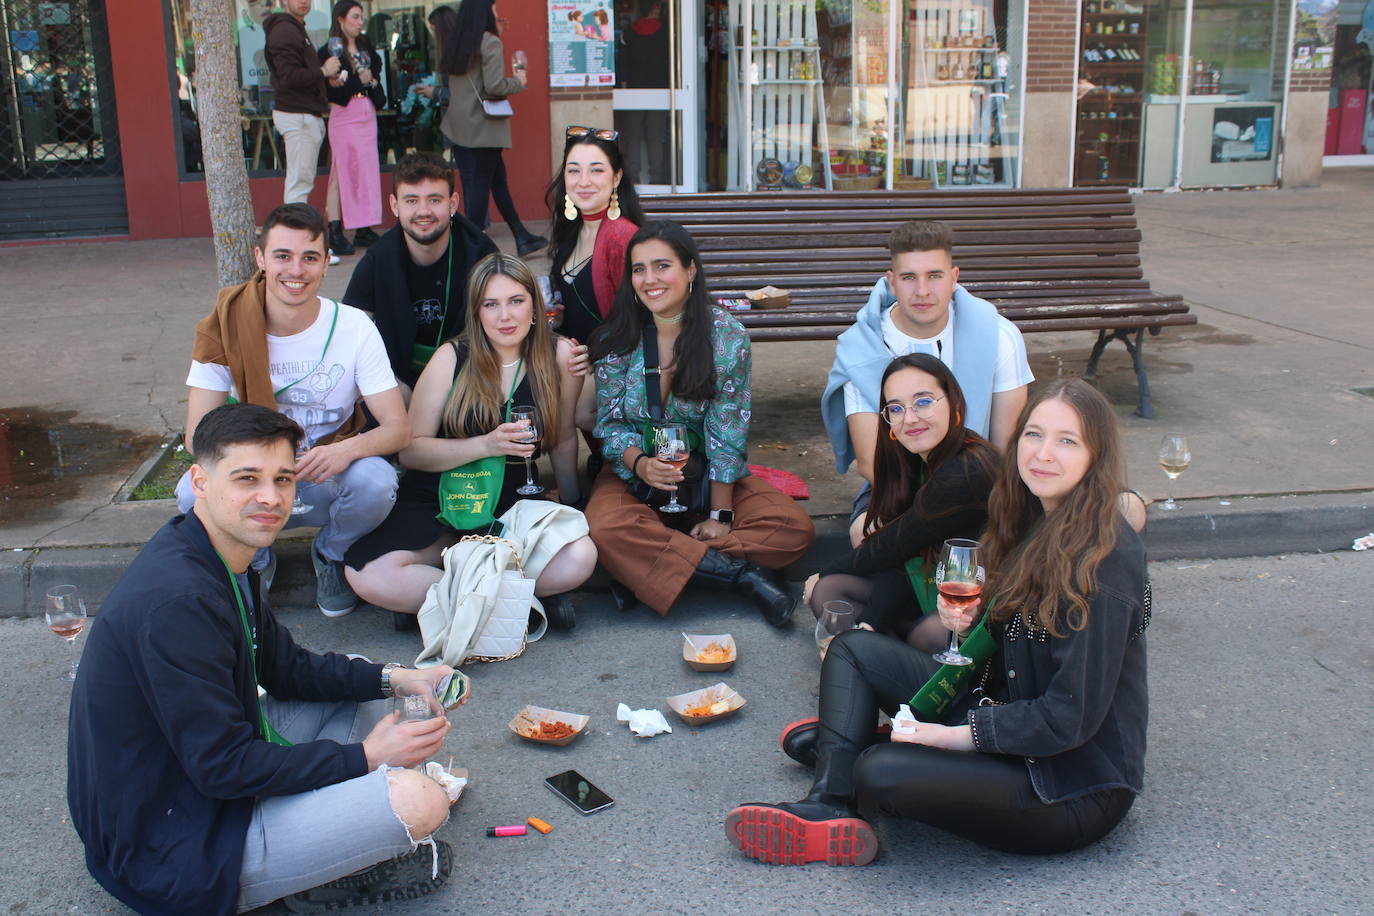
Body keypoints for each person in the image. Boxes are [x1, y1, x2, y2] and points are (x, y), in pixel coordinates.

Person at [726, 378, 1150, 865]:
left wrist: (951, 736)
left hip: (1068, 785)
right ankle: (828, 802)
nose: (1043, 454)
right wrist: (969, 624)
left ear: (1096, 455)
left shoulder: (1103, 561)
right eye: (1034, 435)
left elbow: (1067, 717)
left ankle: (851, 750)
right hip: (1007, 709)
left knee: (879, 771)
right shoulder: (1032, 513)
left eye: (1067, 440)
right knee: (852, 648)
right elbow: (1012, 643)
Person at [68, 403, 456, 913]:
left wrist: (399, 677)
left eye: (283, 478)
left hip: (191, 784)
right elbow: (222, 767)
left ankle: (320, 836)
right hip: (171, 846)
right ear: (199, 481)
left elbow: (288, 670)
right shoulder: (178, 603)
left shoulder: (220, 554)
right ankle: (304, 874)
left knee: (368, 681)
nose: (270, 498)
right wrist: (368, 757)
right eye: (247, 478)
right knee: (419, 801)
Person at [179, 203, 410, 618]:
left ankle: (331, 554)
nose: (296, 270)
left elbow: (397, 429)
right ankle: (253, 559)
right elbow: (197, 435)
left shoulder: (354, 327)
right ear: (261, 259)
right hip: (256, 477)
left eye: (309, 257)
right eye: (283, 256)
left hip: (324, 473)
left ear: (325, 264)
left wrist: (346, 451)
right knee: (189, 491)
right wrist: (256, 467)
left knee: (376, 481)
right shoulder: (225, 323)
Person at [345, 253, 596, 630]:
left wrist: (575, 504)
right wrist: (486, 445)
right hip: (443, 492)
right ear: (476, 311)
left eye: (516, 301)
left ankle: (441, 605)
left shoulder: (560, 355)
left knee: (580, 557)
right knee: (367, 573)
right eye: (491, 304)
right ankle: (516, 607)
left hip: (514, 499)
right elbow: (411, 451)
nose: (505, 316)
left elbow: (561, 441)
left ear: (534, 305)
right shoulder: (452, 357)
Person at [584, 221, 816, 624]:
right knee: (604, 529)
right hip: (634, 474)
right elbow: (609, 426)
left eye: (662, 266)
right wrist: (640, 463)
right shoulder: (617, 337)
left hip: (705, 477)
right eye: (639, 269)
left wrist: (721, 518)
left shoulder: (726, 335)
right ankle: (742, 576)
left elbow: (727, 432)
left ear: (690, 270)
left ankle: (643, 565)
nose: (649, 280)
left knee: (792, 529)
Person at [821, 220, 1032, 539]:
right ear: (891, 282)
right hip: (897, 484)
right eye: (909, 277)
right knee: (865, 534)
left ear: (954, 278)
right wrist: (935, 512)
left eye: (934, 276)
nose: (922, 291)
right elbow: (871, 463)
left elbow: (1005, 448)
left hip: (985, 481)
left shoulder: (999, 335)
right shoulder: (861, 346)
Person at [806, 354, 999, 650]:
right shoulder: (918, 460)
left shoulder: (966, 469)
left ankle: (874, 658)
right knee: (829, 592)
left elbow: (893, 545)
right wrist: (871, 622)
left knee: (929, 635)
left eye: (923, 402)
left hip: (991, 602)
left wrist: (824, 570)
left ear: (953, 402)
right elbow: (902, 559)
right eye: (896, 408)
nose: (909, 418)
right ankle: (875, 652)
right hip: (933, 584)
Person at [343, 151, 498, 399]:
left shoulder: (482, 255)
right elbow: (348, 335)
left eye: (434, 200)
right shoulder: (377, 259)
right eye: (411, 200)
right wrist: (387, 384)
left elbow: (507, 326)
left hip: (469, 382)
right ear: (395, 205)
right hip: (398, 384)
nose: (423, 211)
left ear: (453, 203)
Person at [545, 125, 644, 431]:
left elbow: (642, 320)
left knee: (572, 409)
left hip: (615, 364)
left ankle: (613, 462)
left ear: (616, 178)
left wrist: (597, 357)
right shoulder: (571, 232)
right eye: (574, 171)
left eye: (596, 170)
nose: (583, 182)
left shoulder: (622, 237)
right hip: (571, 360)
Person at [437, 0, 547, 257]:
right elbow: (495, 86)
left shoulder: (457, 41)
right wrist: (518, 82)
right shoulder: (490, 42)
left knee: (495, 182)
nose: (497, 13)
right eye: (494, 8)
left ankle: (521, 235)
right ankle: (470, 246)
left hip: (459, 126)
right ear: (484, 11)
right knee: (481, 186)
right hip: (483, 127)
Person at [318, 0, 385, 257]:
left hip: (366, 113)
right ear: (341, 19)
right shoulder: (329, 51)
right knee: (341, 170)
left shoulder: (366, 45)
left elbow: (376, 71)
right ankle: (335, 227)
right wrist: (361, 81)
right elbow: (335, 92)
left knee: (366, 170)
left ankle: (363, 226)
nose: (359, 22)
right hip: (344, 116)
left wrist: (367, 82)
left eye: (361, 17)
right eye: (355, 17)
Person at [265, 0, 340, 206]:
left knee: (301, 182)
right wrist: (323, 71)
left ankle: (295, 229)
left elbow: (295, 74)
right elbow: (289, 77)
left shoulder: (293, 28)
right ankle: (293, 233)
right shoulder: (285, 30)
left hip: (303, 113)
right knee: (299, 184)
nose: (303, 1)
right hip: (297, 114)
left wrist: (323, 77)